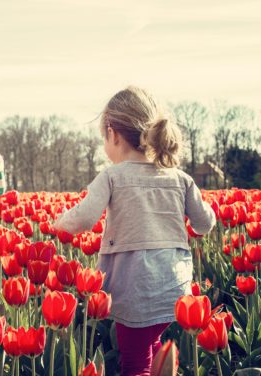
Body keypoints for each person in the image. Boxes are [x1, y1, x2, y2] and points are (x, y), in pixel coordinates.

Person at [53, 86, 216, 376]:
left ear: (113, 134)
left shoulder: (112, 176)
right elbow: (205, 224)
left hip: (134, 287)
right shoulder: (180, 178)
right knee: (152, 344)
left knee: (135, 362)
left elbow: (85, 219)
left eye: (104, 138)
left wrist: (58, 223)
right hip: (174, 286)